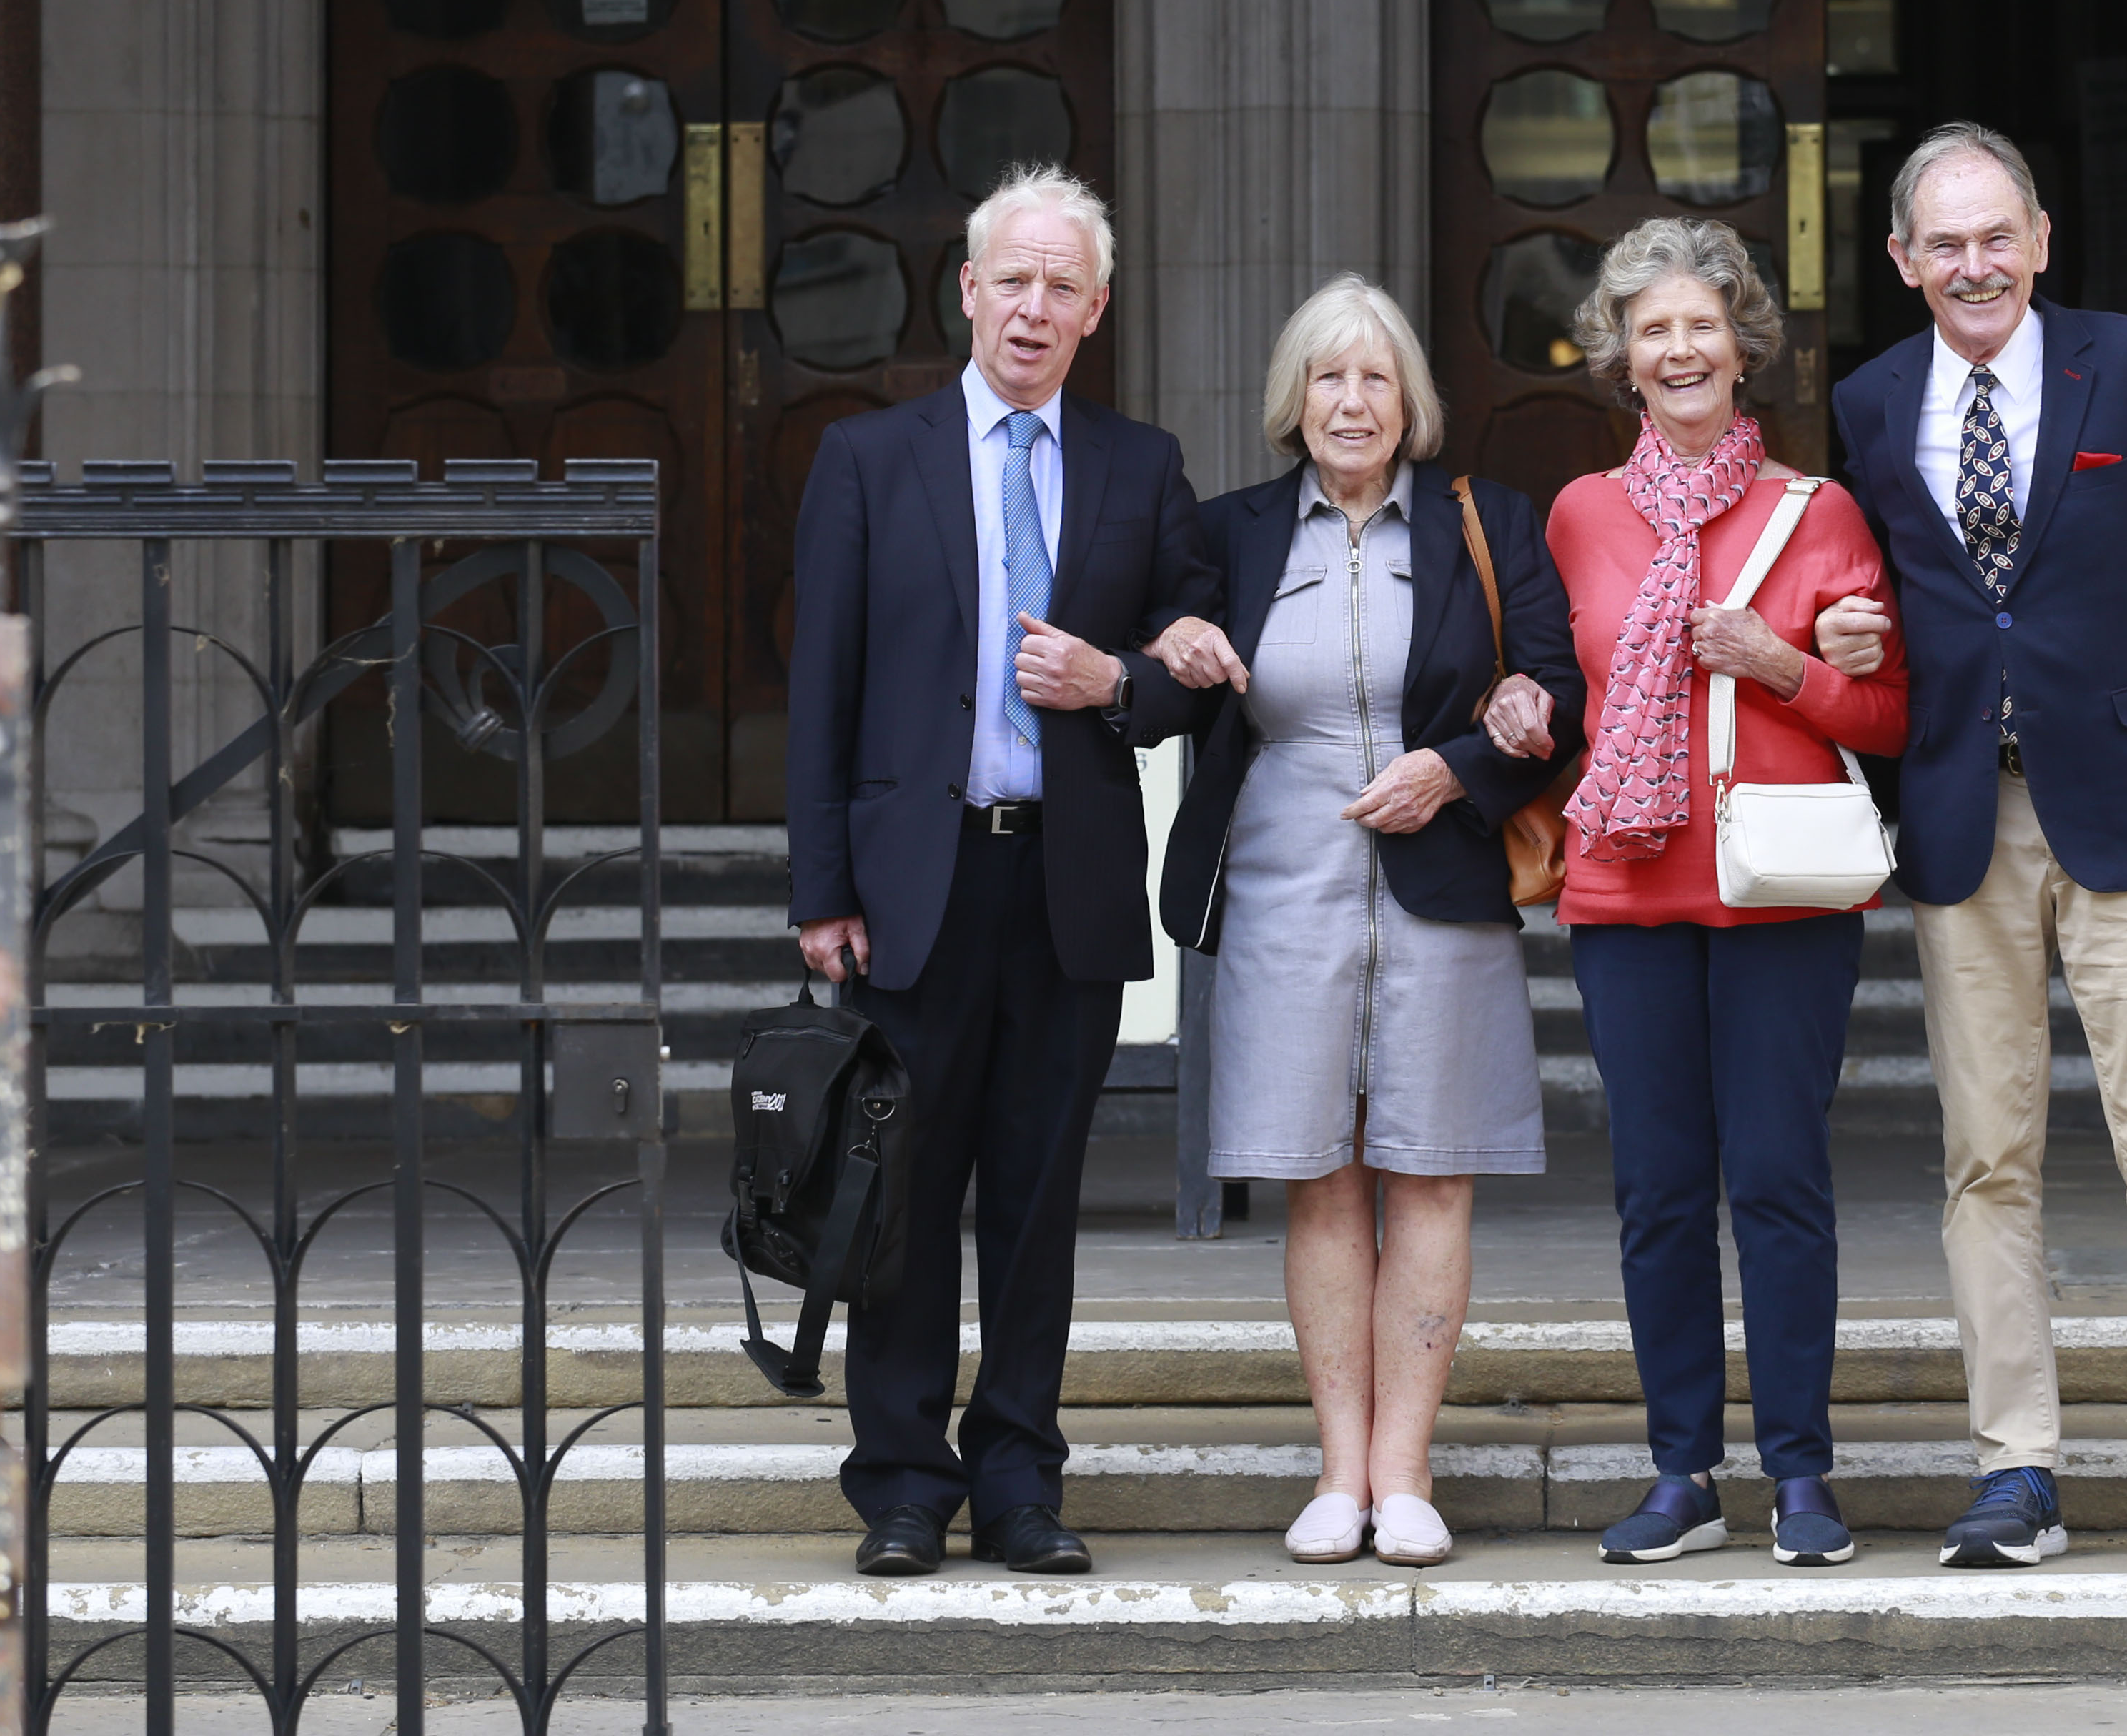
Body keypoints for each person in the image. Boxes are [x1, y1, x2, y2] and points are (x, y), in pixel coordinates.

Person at [1816, 121, 2127, 1572]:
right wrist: (1840, 640)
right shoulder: (1871, 402)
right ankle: (2015, 1467)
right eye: (1942, 243)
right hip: (1965, 818)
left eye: (1994, 235)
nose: (1974, 264)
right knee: (1987, 1160)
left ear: (2040, 239)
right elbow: (1883, 598)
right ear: (1902, 261)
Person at [785, 164, 1214, 1582]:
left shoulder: (1141, 468)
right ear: (966, 291)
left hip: (1065, 886)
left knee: (1037, 1202)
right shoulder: (869, 458)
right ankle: (904, 1482)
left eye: (1062, 287)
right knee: (901, 1196)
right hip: (917, 883)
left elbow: (1192, 678)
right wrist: (819, 888)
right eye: (1010, 280)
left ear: (1098, 308)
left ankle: (1021, 1477)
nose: (1033, 307)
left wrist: (1117, 682)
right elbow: (823, 690)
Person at [1138, 276, 1580, 1569]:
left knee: (1432, 1173)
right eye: (1328, 378)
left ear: (1410, 405)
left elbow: (1552, 684)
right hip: (1283, 884)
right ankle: (1339, 1473)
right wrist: (1167, 639)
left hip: (1444, 888)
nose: (1351, 402)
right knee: (1318, 1180)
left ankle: (1408, 1474)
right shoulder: (1224, 534)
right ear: (1294, 399)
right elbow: (1155, 673)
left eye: (1376, 379)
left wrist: (1467, 763)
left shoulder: (1484, 521)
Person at [1543, 217, 1908, 1569]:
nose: (1681, 348)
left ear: (1743, 347)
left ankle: (1802, 1475)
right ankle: (1682, 1470)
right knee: (1657, 1192)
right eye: (1654, 330)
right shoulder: (1581, 515)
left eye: (1703, 324)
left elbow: (1883, 716)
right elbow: (1552, 674)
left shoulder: (1821, 516)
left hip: (1784, 896)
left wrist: (1781, 664)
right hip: (1626, 896)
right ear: (1624, 360)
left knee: (1777, 1181)